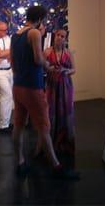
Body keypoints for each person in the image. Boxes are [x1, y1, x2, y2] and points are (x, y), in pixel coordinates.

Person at [11, 6, 79, 180]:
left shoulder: (15, 35)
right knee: (44, 126)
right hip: (33, 87)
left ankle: (20, 162)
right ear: (40, 18)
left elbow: (12, 62)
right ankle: (57, 167)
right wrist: (48, 66)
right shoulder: (34, 33)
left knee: (18, 125)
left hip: (18, 85)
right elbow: (38, 58)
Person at [44, 29, 76, 159]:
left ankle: (65, 142)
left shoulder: (68, 53)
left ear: (65, 39)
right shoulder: (47, 52)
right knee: (51, 112)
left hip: (65, 86)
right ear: (54, 36)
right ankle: (50, 143)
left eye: (63, 36)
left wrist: (66, 71)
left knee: (65, 112)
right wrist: (48, 68)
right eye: (58, 35)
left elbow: (74, 69)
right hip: (52, 85)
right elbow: (42, 67)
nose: (60, 38)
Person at [0, 21, 13, 134]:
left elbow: (8, 54)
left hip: (9, 70)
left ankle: (6, 122)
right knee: (6, 96)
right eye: (2, 30)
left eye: (6, 30)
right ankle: (3, 125)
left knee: (7, 97)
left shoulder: (7, 38)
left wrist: (5, 54)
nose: (5, 32)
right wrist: (5, 54)